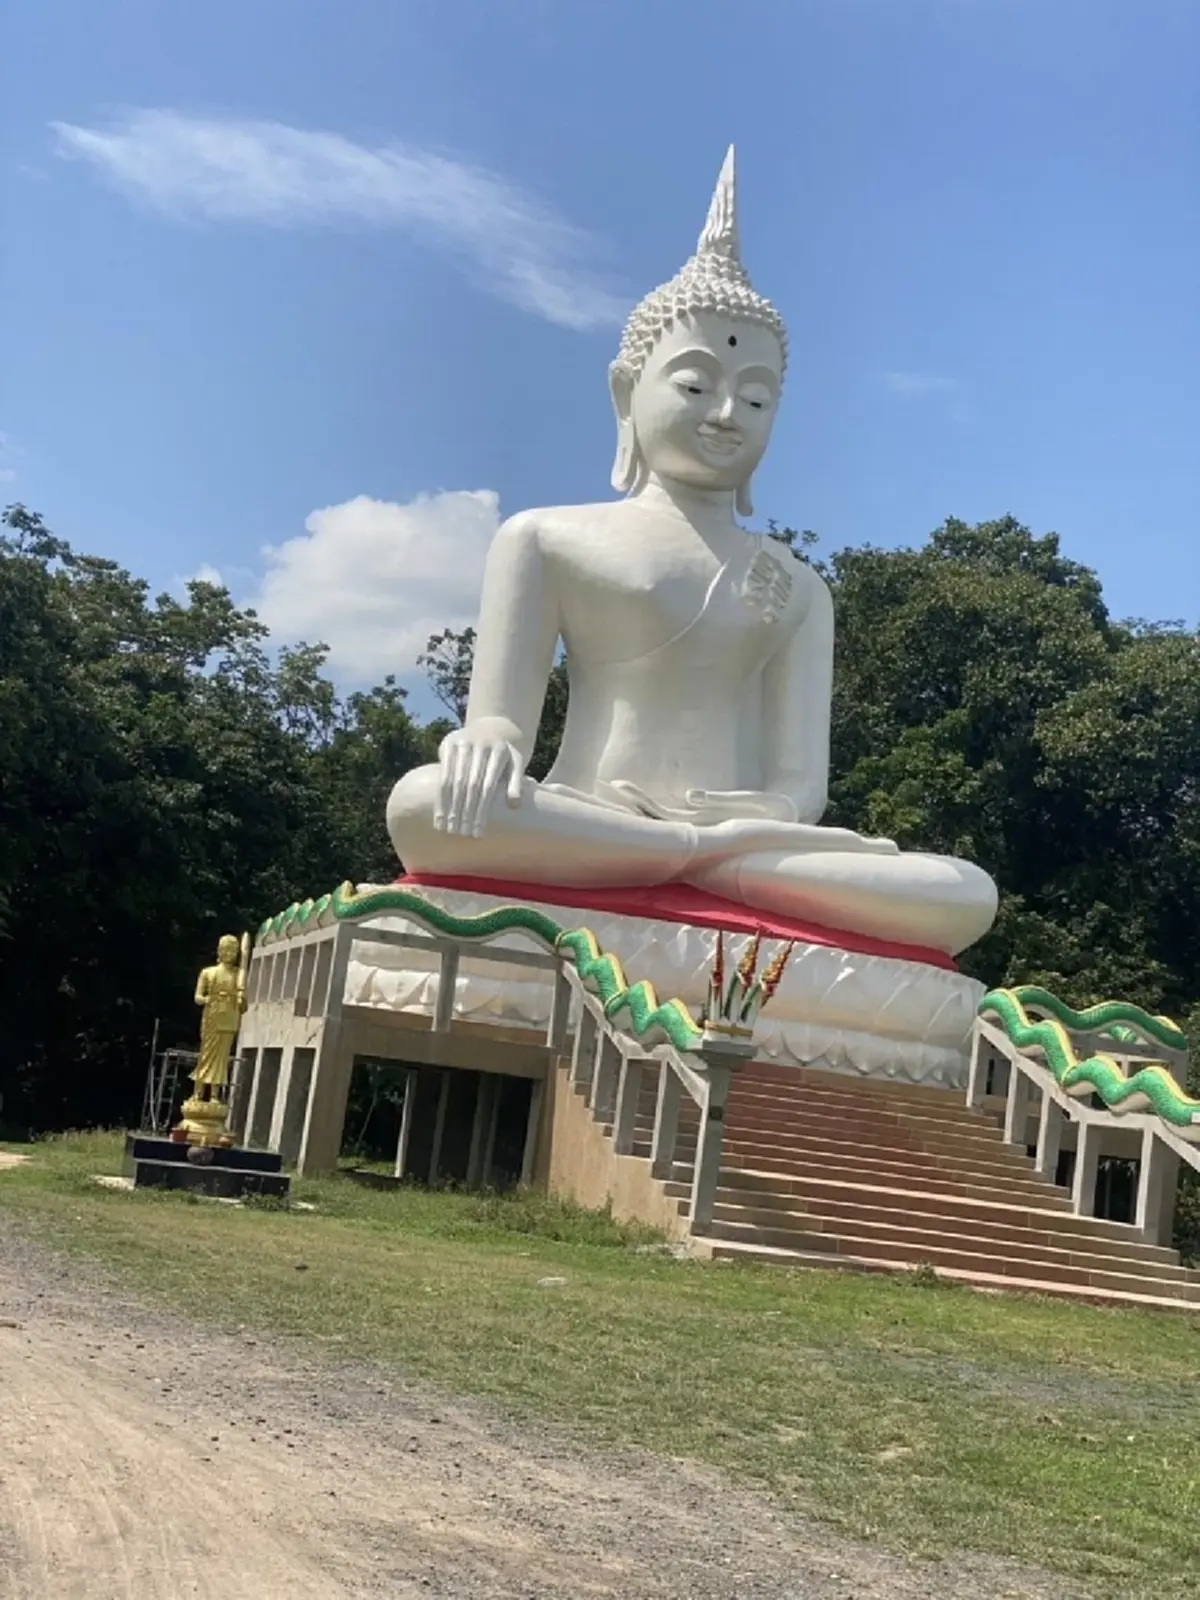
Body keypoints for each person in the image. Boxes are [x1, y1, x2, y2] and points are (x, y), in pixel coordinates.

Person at [387, 149, 997, 958]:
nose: (724, 415)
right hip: (586, 814)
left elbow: (799, 789)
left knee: (964, 892)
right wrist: (485, 747)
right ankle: (690, 865)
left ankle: (687, 863)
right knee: (425, 806)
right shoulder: (545, 538)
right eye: (694, 384)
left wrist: (757, 824)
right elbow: (501, 719)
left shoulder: (800, 589)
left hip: (739, 842)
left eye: (754, 397)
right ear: (624, 394)